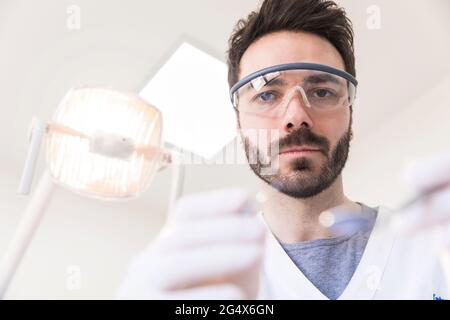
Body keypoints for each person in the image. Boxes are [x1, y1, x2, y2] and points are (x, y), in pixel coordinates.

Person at [117, 0, 450, 300]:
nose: (296, 117)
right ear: (238, 122)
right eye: (266, 94)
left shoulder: (425, 245)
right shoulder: (209, 274)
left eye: (321, 91)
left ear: (349, 113)